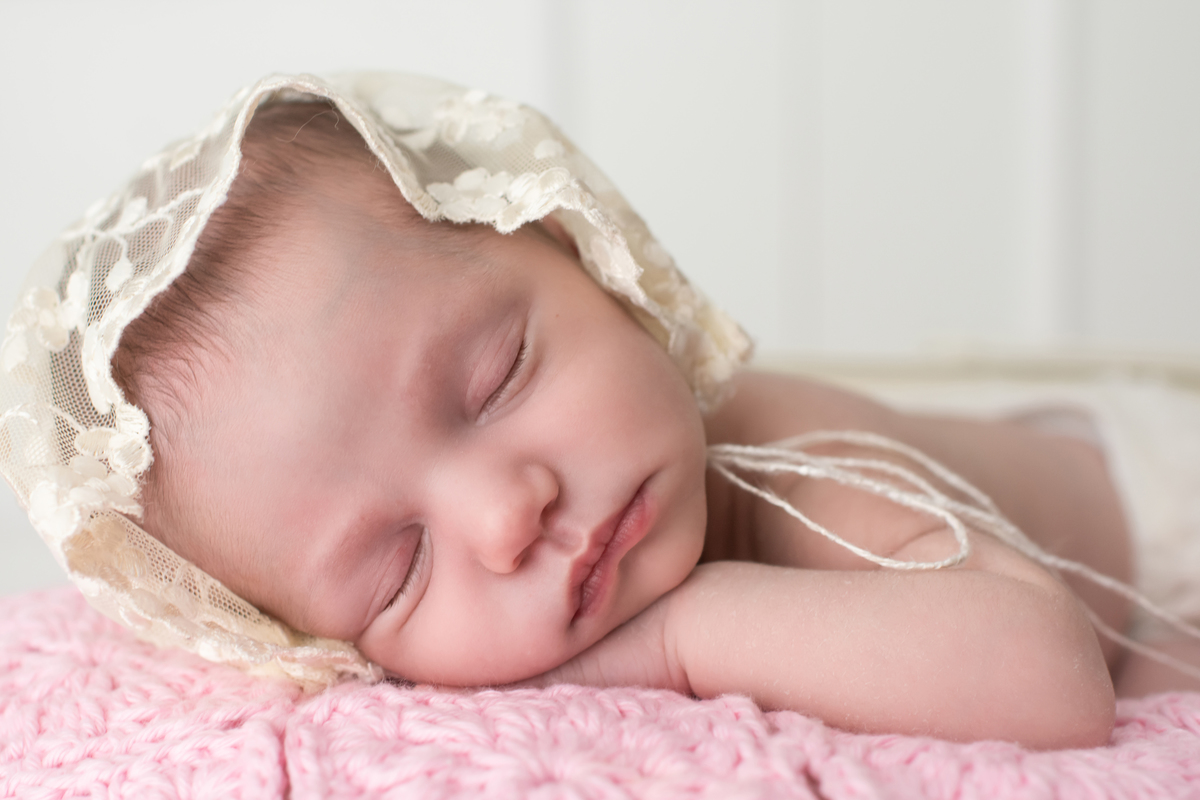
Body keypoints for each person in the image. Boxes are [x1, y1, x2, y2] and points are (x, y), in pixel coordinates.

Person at [3, 73, 1195, 752]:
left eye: (499, 375)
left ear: (583, 254)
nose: (508, 512)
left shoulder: (782, 452)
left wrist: (679, 637)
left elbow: (1048, 677)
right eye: (396, 568)